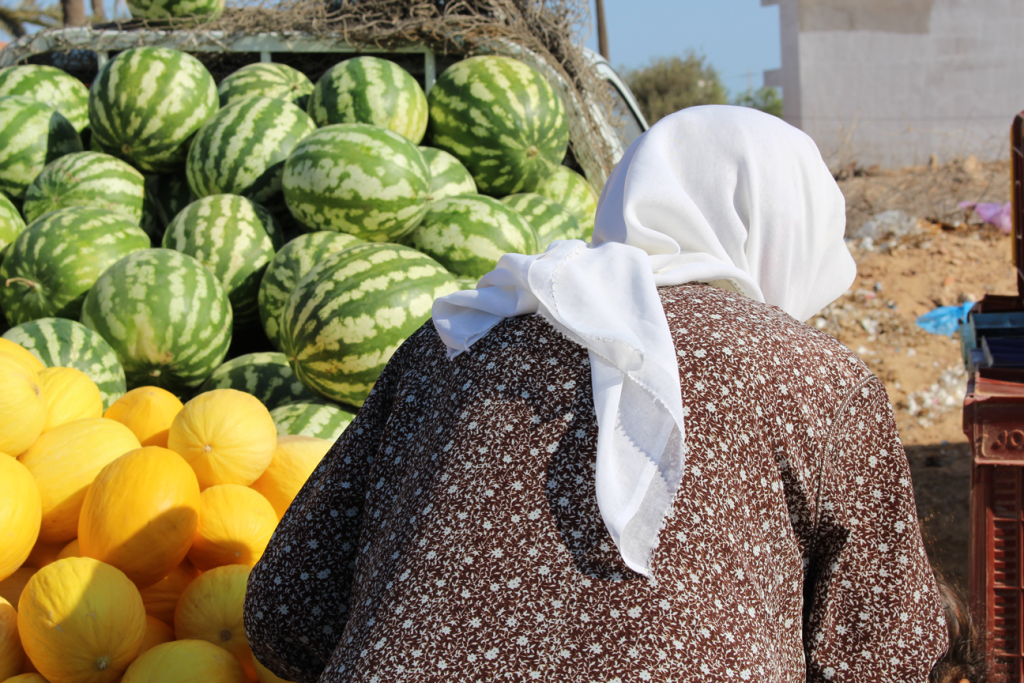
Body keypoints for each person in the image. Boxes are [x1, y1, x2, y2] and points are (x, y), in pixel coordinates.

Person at [244, 105, 949, 682]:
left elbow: (284, 610)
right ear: (793, 235)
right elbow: (888, 655)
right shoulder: (817, 380)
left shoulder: (457, 335)